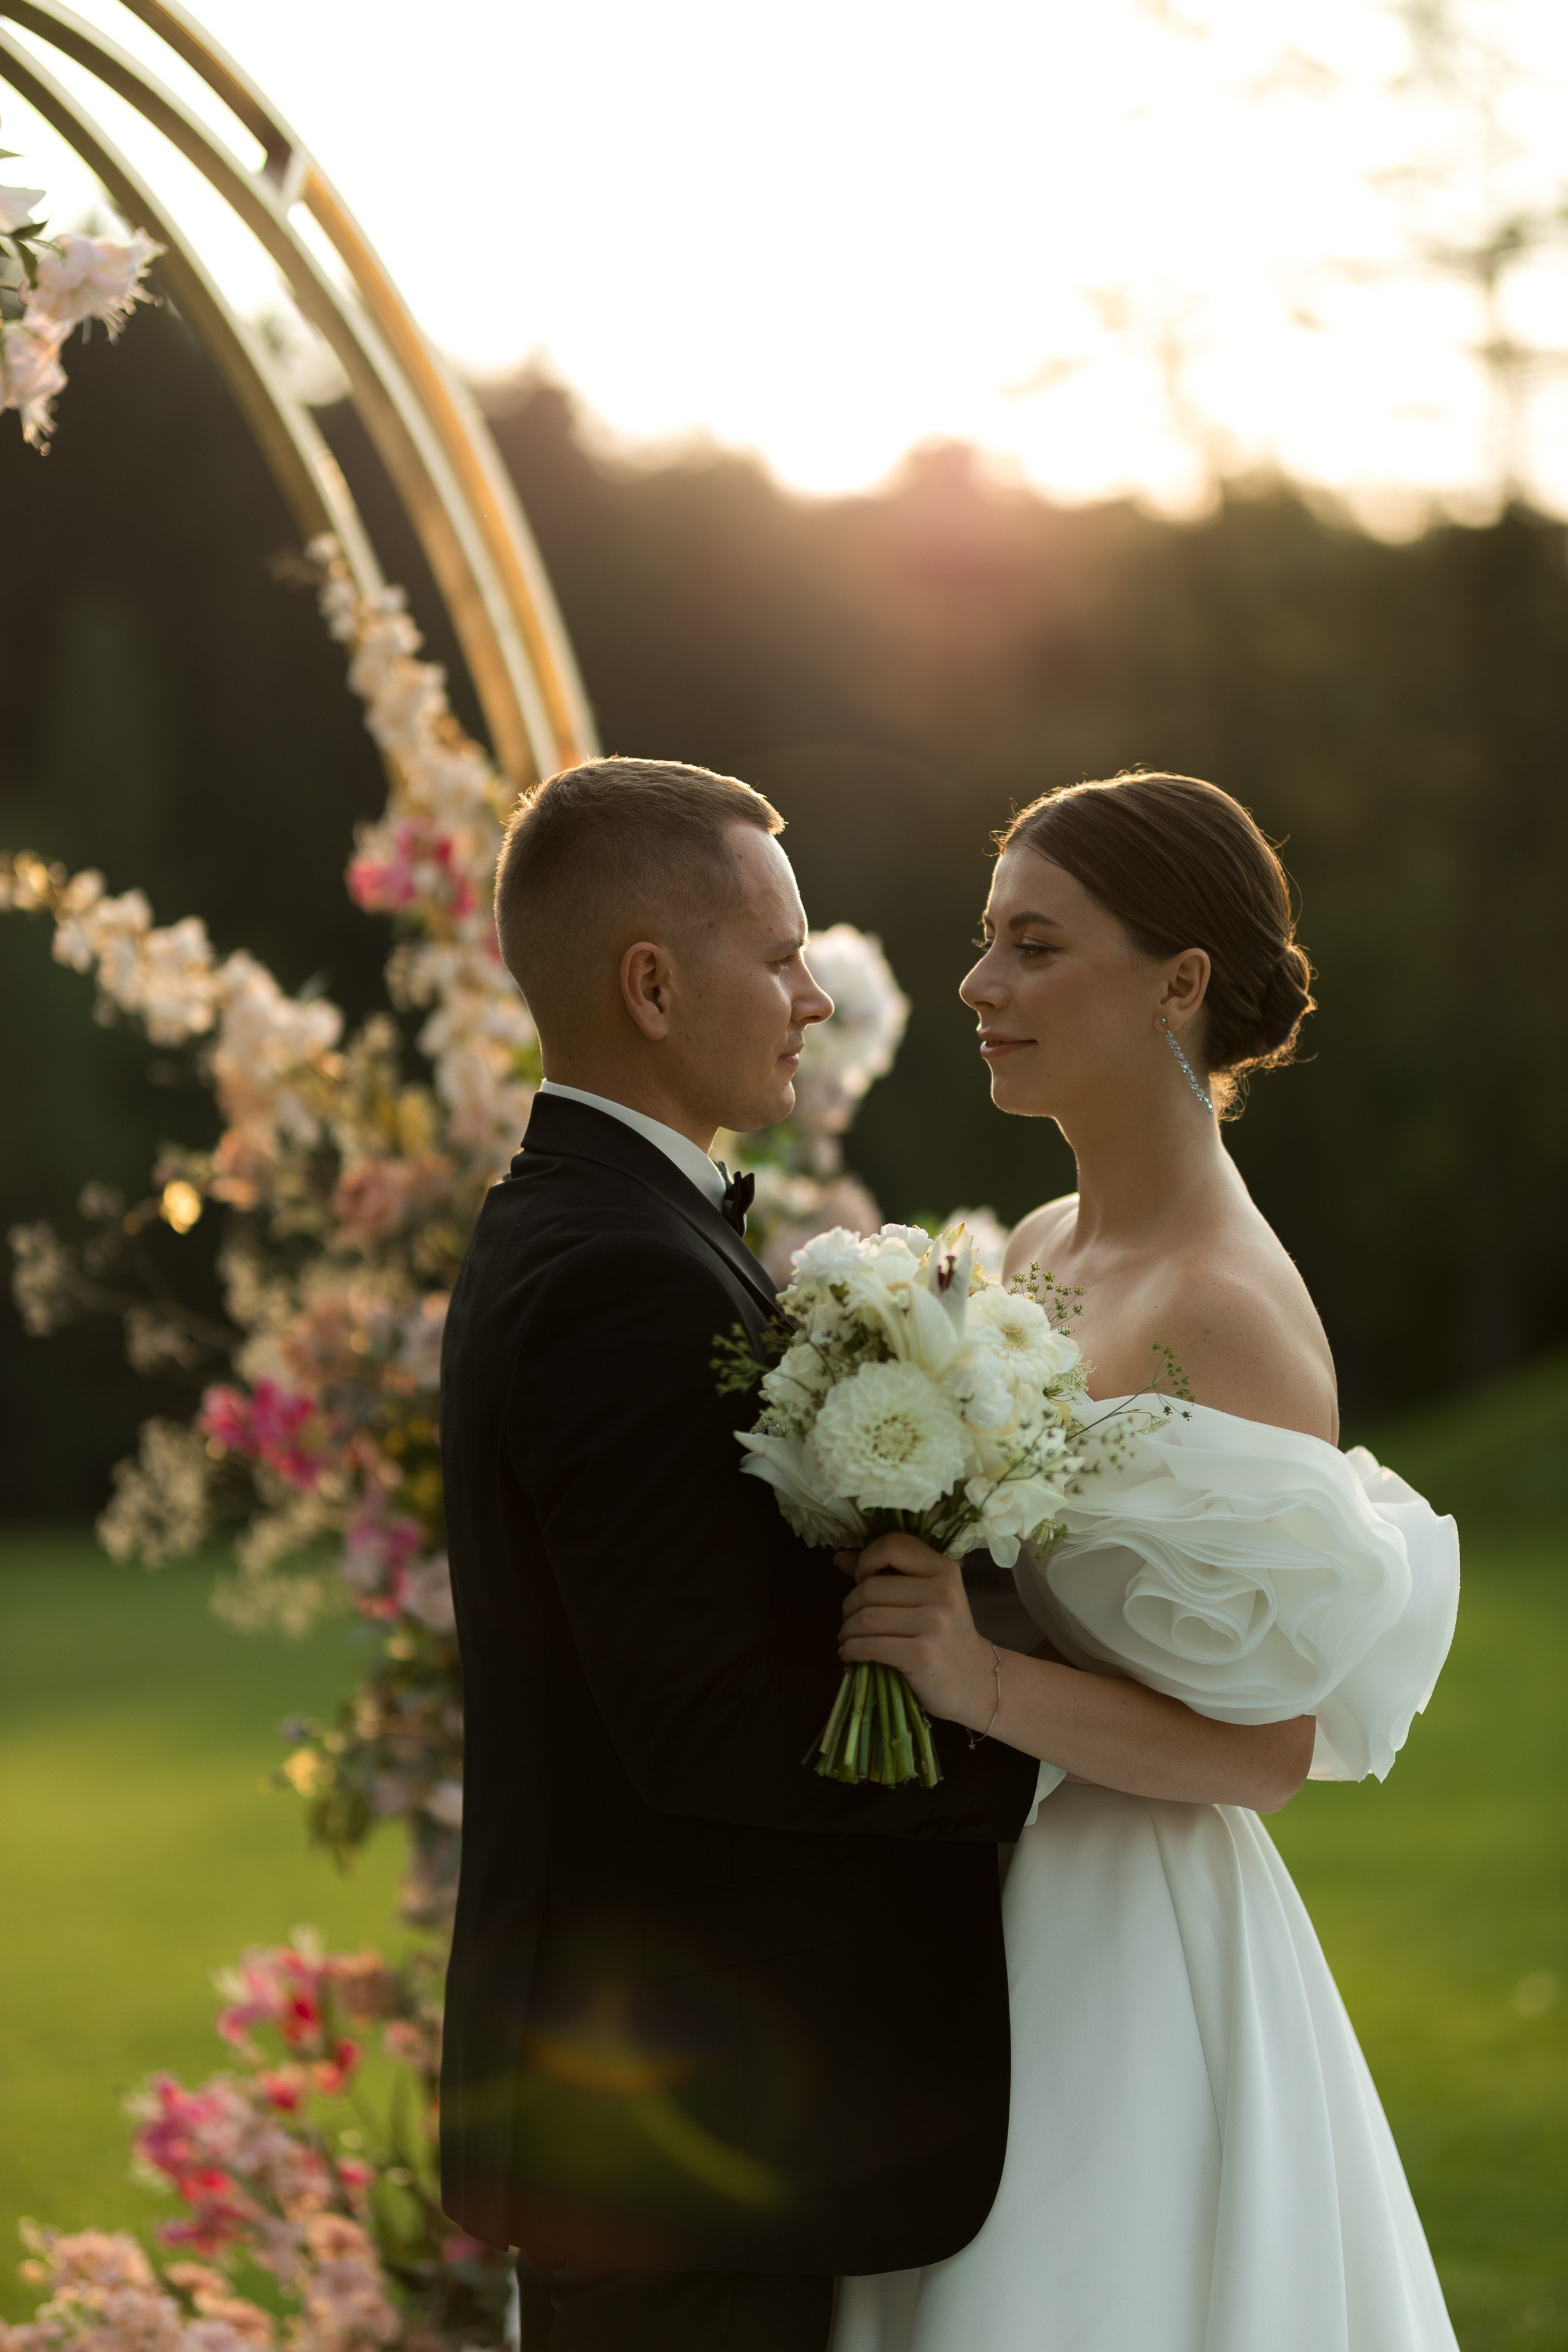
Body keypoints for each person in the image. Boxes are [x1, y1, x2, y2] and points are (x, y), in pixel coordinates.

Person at [830, 772, 1461, 2352]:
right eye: (985, 941)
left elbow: (1265, 1752)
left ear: (1180, 984)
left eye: (1034, 946)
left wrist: (970, 1676)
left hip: (1127, 1940)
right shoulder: (1043, 1246)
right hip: (975, 1888)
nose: (981, 986)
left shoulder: (1226, 1314)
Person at [437, 758, 1047, 2352]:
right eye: (778, 958)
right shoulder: (625, 1278)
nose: (810, 999)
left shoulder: (588, 1227)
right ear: (651, 984)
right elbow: (701, 1723)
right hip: (676, 2139)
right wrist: (1032, 1766)